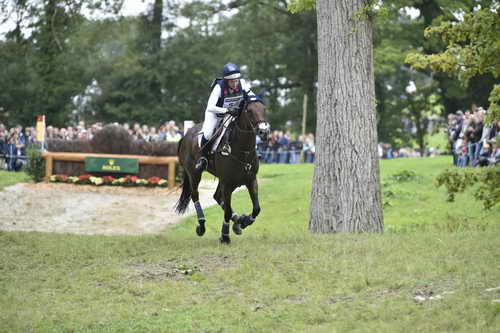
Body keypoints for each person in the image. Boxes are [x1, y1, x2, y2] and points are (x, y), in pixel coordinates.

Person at [195, 63, 255, 171]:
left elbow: (252, 96)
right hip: (215, 114)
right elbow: (210, 107)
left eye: (236, 80)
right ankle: (203, 158)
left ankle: (253, 151)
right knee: (208, 134)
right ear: (226, 80)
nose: (235, 83)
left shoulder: (242, 83)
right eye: (232, 81)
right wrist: (226, 110)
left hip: (232, 114)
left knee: (247, 127)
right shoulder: (219, 87)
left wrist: (258, 100)